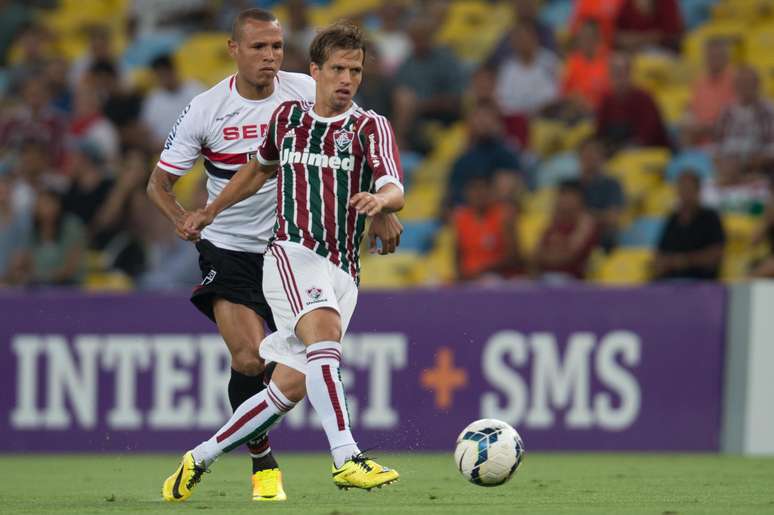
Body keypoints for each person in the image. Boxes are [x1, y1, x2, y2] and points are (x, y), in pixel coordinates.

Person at [147, 9, 401, 502]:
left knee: (291, 383)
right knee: (259, 353)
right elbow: (229, 174)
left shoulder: (317, 101)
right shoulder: (208, 108)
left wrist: (384, 207)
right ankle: (342, 457)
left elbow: (371, 162)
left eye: (277, 47)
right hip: (263, 249)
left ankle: (198, 457)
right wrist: (201, 212)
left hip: (339, 260)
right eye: (259, 47)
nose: (270, 57)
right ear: (234, 50)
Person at [653, 171, 725, 280]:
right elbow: (660, 253)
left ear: (698, 191)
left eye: (688, 189)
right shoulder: (672, 218)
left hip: (702, 282)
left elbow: (716, 254)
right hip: (670, 282)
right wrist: (665, 262)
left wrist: (686, 261)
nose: (684, 193)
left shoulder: (710, 217)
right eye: (681, 189)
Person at [596, 52, 671, 151]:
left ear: (630, 73)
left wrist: (631, 147)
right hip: (615, 151)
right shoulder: (607, 100)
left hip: (647, 152)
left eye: (622, 73)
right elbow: (600, 132)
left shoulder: (644, 99)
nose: (619, 78)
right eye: (614, 73)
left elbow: (650, 134)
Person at [453, 175, 522, 281]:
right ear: (467, 193)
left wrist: (483, 270)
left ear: (491, 192)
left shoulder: (504, 216)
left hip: (499, 277)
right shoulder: (461, 218)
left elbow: (513, 257)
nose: (478, 194)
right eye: (474, 190)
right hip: (469, 278)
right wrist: (462, 275)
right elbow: (458, 254)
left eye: (482, 189)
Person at [534, 179, 598, 280]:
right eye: (560, 194)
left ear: (579, 198)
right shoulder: (555, 222)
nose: (561, 199)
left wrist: (548, 258)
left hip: (572, 281)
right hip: (546, 278)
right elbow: (536, 254)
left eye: (566, 195)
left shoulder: (585, 222)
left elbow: (569, 256)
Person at [716, 66, 774, 175]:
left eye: (748, 83)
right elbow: (719, 145)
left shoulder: (769, 111)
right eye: (741, 83)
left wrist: (753, 162)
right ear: (735, 86)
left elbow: (771, 149)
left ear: (757, 84)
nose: (745, 87)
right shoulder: (727, 113)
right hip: (729, 167)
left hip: (760, 168)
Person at [140, 54, 205, 148]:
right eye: (159, 76)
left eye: (164, 74)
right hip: (166, 151)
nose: (163, 79)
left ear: (173, 71)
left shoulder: (196, 89)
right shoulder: (153, 99)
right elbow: (147, 131)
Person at [577, 137, 625, 251]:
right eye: (586, 154)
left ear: (602, 157)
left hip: (600, 237)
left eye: (593, 153)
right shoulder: (571, 185)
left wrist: (585, 216)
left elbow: (612, 218)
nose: (589, 157)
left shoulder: (611, 184)